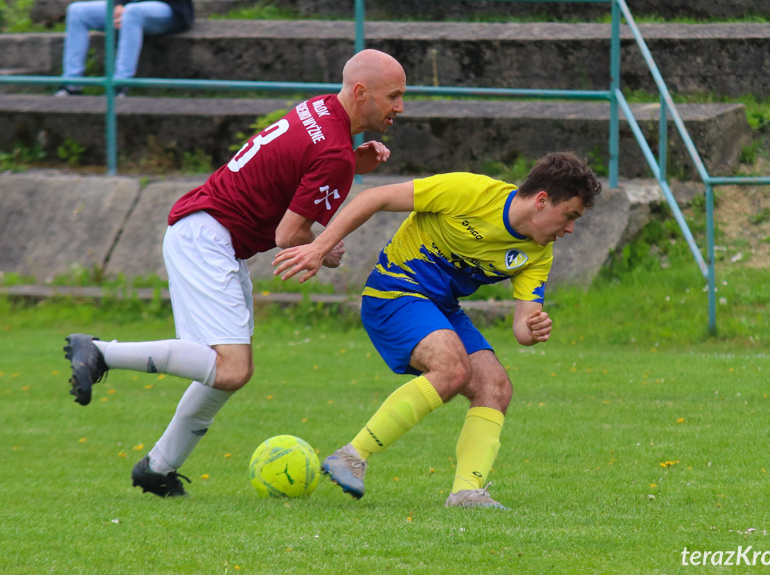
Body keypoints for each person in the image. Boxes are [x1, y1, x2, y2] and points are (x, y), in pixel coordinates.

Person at [62, 49, 407, 497]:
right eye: (393, 96)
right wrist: (322, 248)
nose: (400, 107)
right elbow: (289, 233)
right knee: (231, 369)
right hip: (208, 238)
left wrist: (347, 168)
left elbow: (299, 165)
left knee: (224, 373)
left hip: (211, 234)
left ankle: (158, 468)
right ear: (361, 93)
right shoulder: (335, 152)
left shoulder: (321, 110)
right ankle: (99, 352)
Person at [272, 152, 602, 508]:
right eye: (569, 216)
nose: (569, 230)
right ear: (541, 201)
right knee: (452, 368)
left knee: (495, 386)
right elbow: (375, 197)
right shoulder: (471, 192)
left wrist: (534, 328)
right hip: (395, 290)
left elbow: (523, 327)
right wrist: (320, 246)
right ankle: (352, 456)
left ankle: (466, 493)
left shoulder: (538, 253)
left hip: (441, 308)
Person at [55, 0, 194, 97]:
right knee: (77, 11)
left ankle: (120, 84)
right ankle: (72, 83)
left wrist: (124, 6)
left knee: (132, 12)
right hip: (130, 7)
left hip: (169, 9)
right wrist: (119, 4)